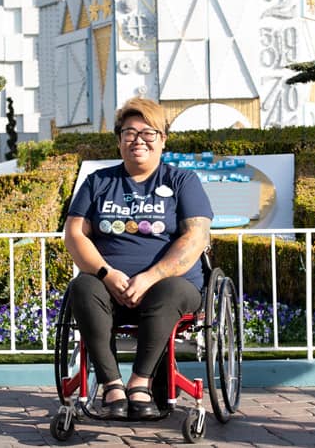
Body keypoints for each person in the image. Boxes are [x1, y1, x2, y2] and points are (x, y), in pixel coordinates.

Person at [64, 97, 213, 420]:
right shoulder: (98, 182)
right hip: (110, 287)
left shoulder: (182, 182)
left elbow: (195, 237)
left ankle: (140, 383)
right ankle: (113, 385)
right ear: (119, 140)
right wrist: (106, 273)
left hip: (171, 287)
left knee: (169, 291)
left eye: (148, 133)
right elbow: (74, 234)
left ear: (163, 140)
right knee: (82, 287)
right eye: (130, 133)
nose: (138, 140)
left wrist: (151, 276)